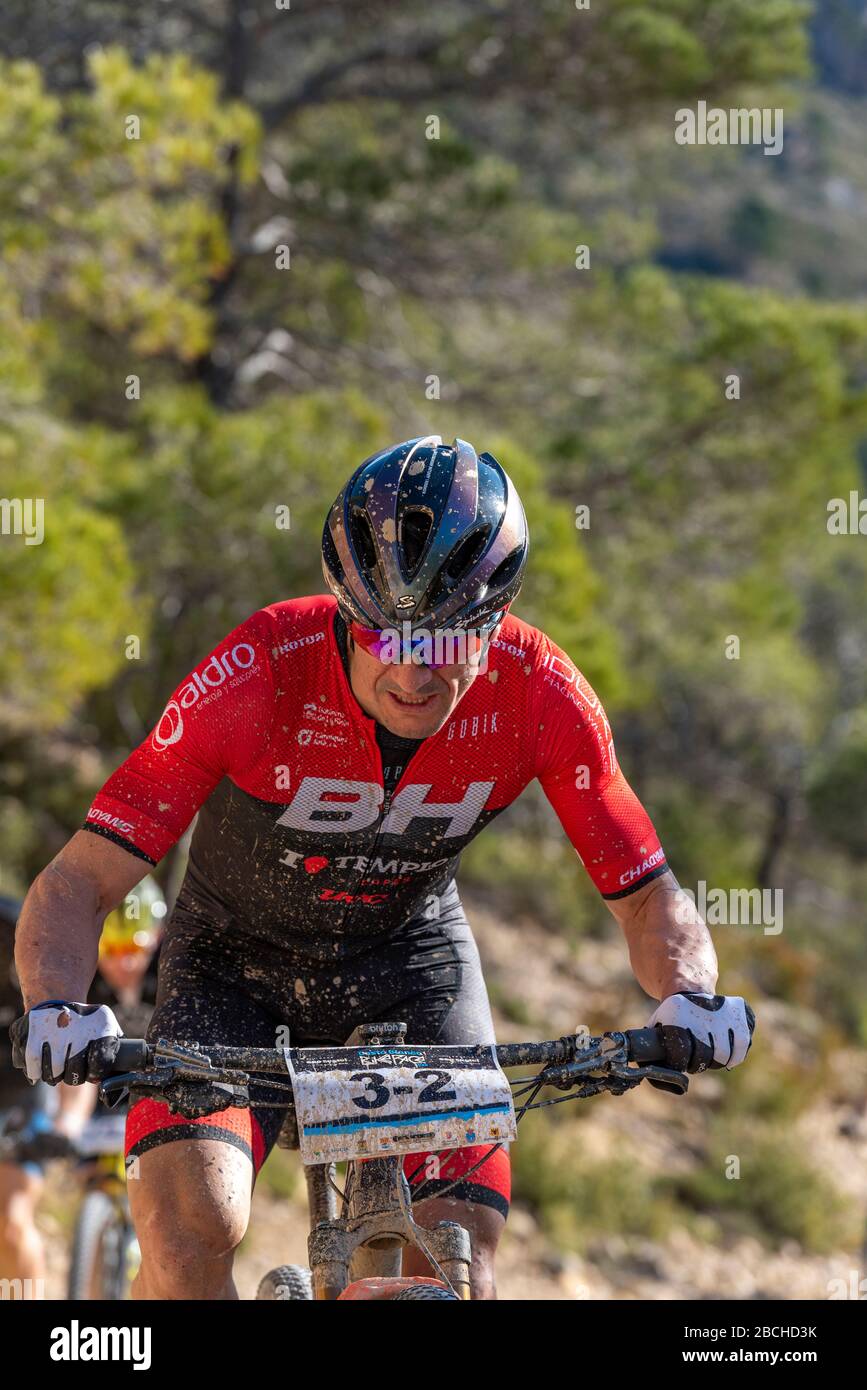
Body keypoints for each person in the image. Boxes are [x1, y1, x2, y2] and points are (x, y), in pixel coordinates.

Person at [11, 435, 753, 1301]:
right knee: (188, 1232)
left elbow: (644, 895)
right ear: (340, 611)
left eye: (442, 643)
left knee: (456, 1258)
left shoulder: (542, 692)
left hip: (409, 970)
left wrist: (688, 995)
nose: (408, 673)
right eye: (377, 633)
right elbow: (77, 881)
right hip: (229, 971)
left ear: (496, 621)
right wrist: (56, 1007)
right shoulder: (257, 670)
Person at [0, 878, 162, 1291]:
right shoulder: (96, 980)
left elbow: (67, 1038)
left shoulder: (170, 973)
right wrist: (70, 1126)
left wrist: (67, 1122)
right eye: (110, 952)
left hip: (154, 1092)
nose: (121, 963)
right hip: (101, 1095)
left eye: (132, 951)